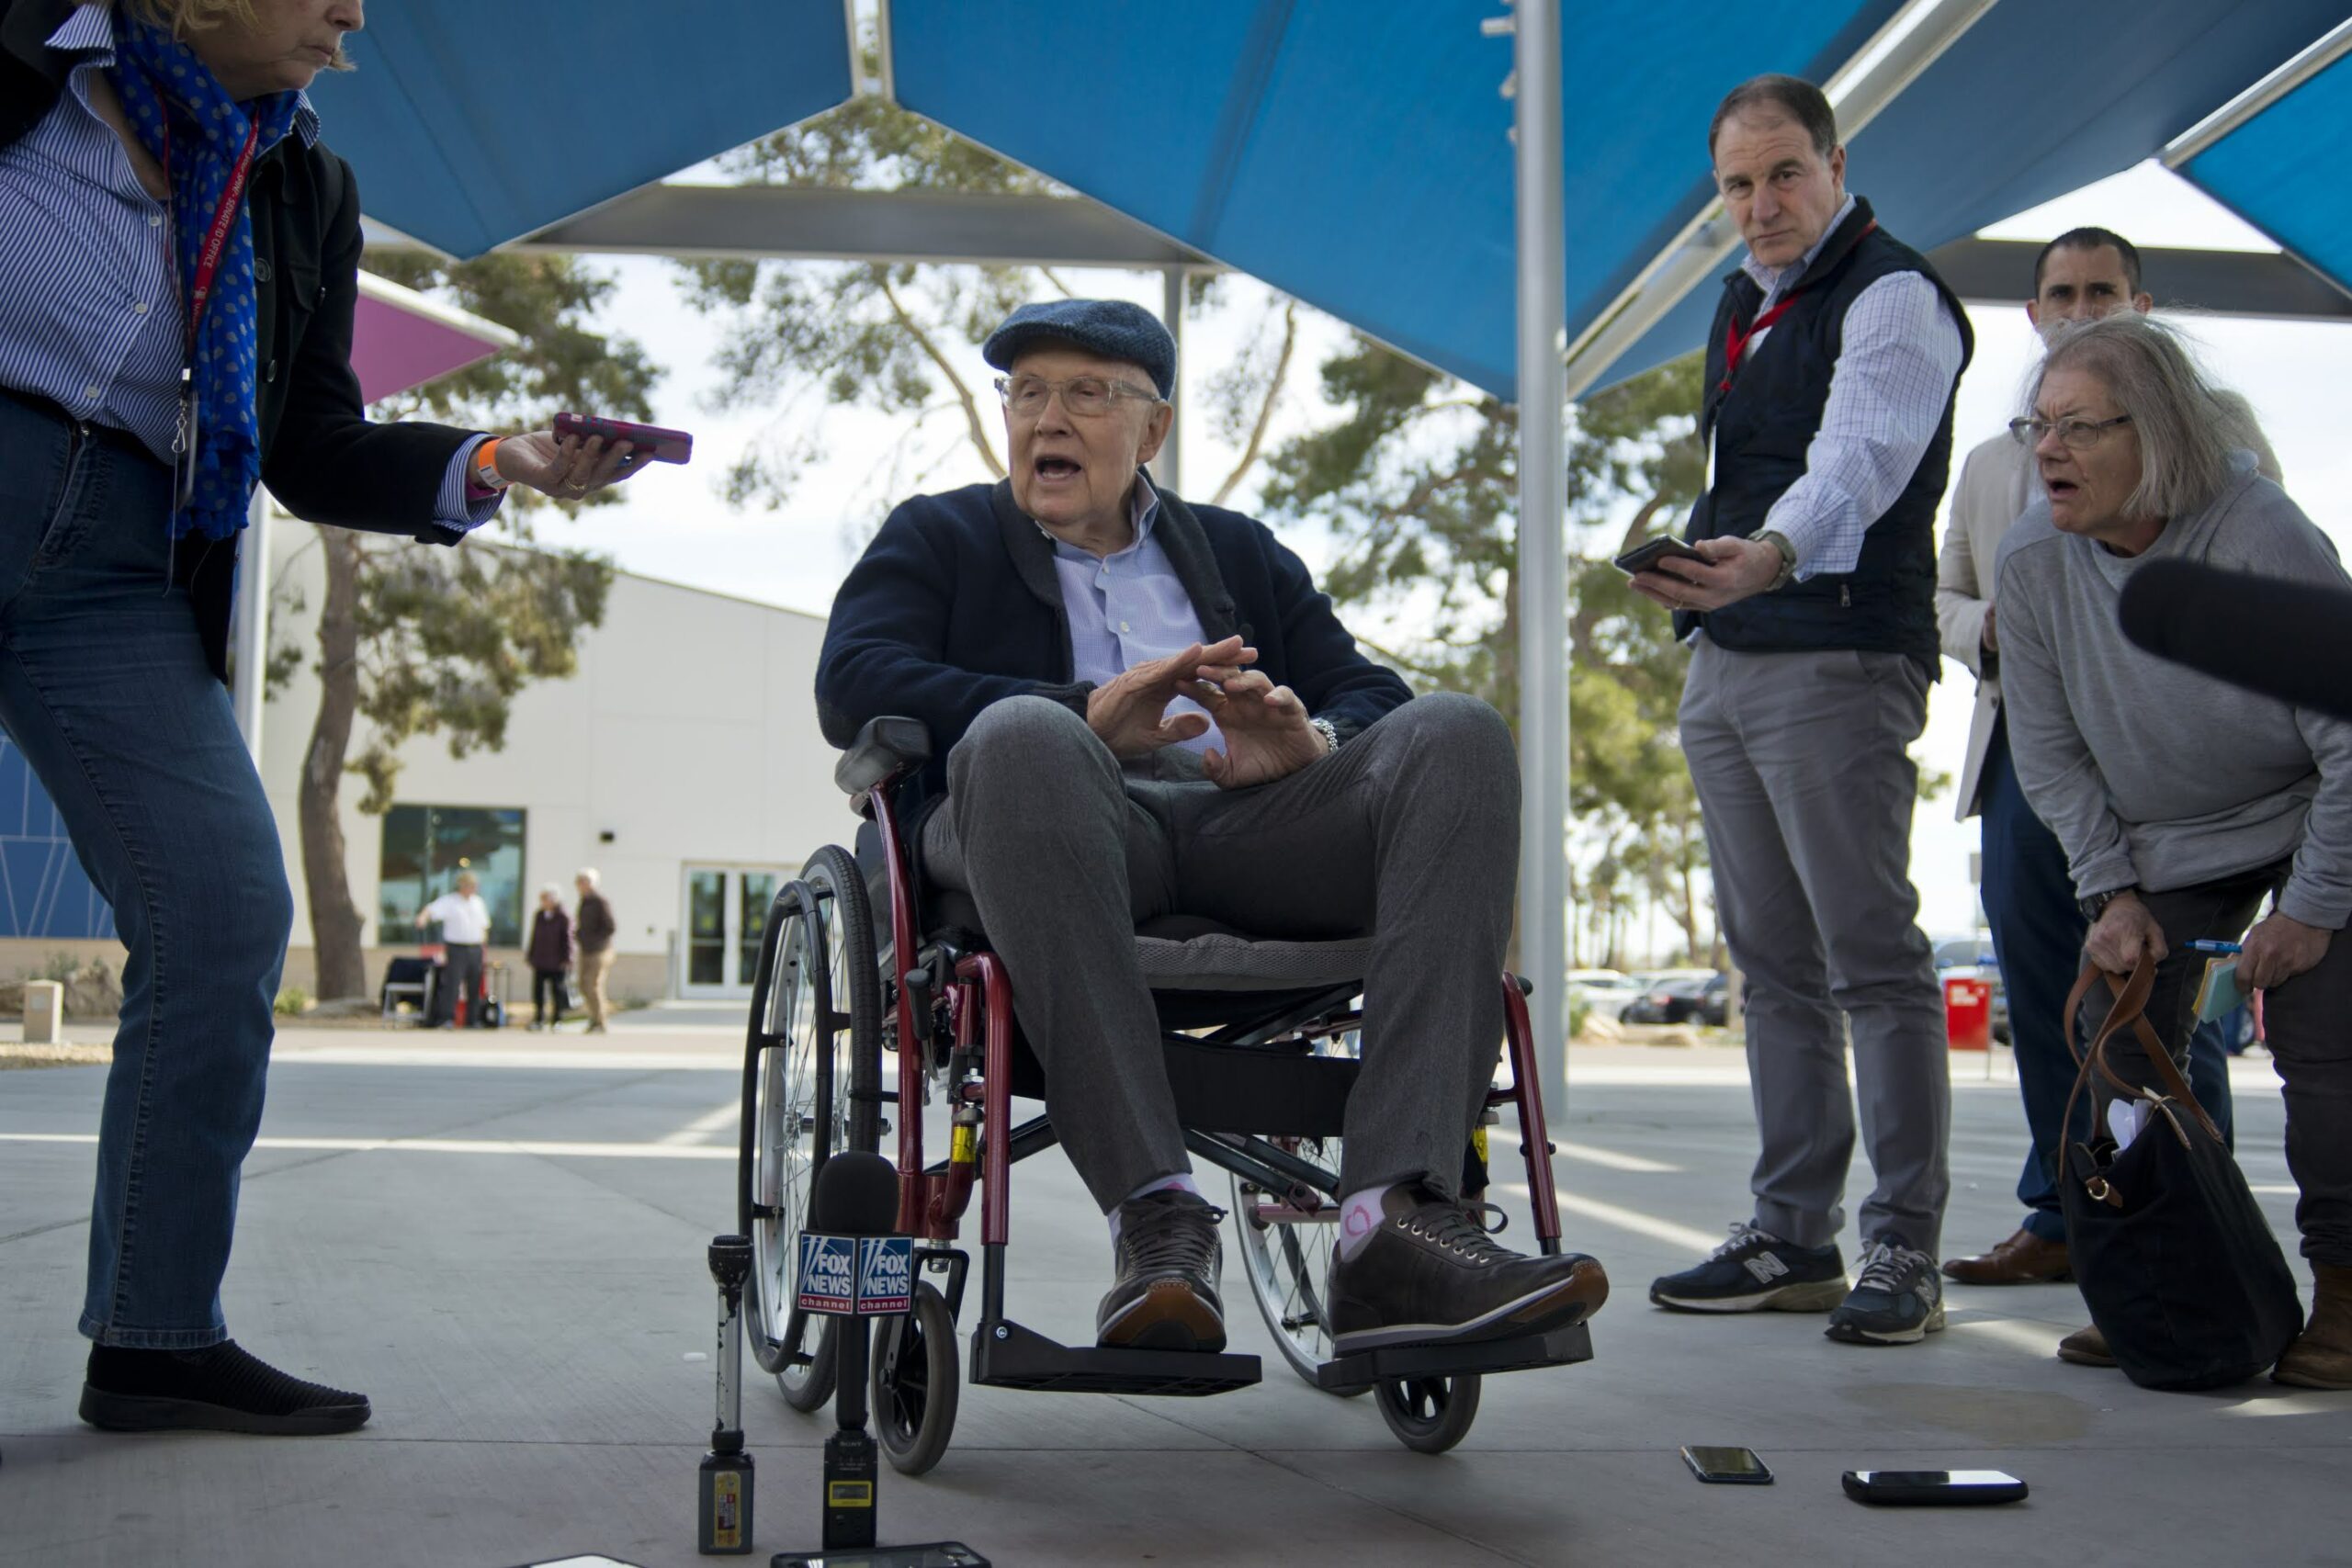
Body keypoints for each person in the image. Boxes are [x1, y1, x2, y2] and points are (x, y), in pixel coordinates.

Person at [1, 0, 647, 1435]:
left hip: (112, 558)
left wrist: (501, 456)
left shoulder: (301, 178)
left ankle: (157, 1336)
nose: (356, 11)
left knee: (227, 904)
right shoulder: (29, 51)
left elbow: (311, 443)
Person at [816, 298, 1610, 1358]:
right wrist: (1080, 711)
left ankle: (1393, 1223)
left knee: (1456, 733)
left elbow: (1366, 689)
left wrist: (1311, 744)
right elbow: (854, 682)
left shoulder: (1238, 552)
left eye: (1086, 394)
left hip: (1243, 833)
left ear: (1151, 430)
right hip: (1049, 826)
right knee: (1022, 734)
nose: (1047, 419)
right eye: (1028, 394)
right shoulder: (940, 535)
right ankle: (1156, 1214)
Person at [1630, 74, 1971, 1346]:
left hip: (1837, 650)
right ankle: (1793, 1231)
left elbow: (1862, 458)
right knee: (1771, 962)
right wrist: (1705, 573)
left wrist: (1771, 553)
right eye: (1737, 185)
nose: (1761, 205)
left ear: (1836, 164)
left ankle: (1903, 1245)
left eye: (1783, 174)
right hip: (1729, 657)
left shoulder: (1893, 295)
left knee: (1869, 955)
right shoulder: (1739, 302)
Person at [1996, 310, 2350, 1389]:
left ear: (2153, 436)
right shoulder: (2030, 561)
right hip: (2168, 835)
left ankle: (2344, 1291)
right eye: (2036, 425)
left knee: (2324, 1032)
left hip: (2308, 805)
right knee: (2113, 1036)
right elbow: (2049, 755)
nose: (2048, 450)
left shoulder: (2260, 534)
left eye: (2078, 428)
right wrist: (2108, 889)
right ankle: (2168, 1282)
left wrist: (2312, 906)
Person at [1936, 229, 2276, 1287]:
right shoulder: (1996, 466)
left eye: (2101, 293)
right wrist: (1987, 629)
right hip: (2026, 759)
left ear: (2142, 306)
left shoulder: (2224, 453)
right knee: (2052, 999)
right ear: (2032, 313)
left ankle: (2189, 1213)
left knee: (2157, 1002)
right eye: (2059, 294)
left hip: (2171, 771)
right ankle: (2064, 1212)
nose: (2079, 310)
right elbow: (1939, 596)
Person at [414, 872, 491, 1029]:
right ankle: (446, 1018)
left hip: (475, 948)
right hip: (457, 947)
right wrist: (422, 918)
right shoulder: (450, 901)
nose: (473, 889)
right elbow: (431, 910)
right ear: (462, 885)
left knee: (475, 985)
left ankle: (473, 1019)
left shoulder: (478, 902)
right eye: (470, 885)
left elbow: (485, 925)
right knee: (452, 983)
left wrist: (484, 945)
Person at [526, 884, 572, 1032]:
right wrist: (530, 955)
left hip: (557, 960)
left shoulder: (563, 916)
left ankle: (557, 1019)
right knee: (538, 991)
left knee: (557, 991)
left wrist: (568, 958)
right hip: (540, 959)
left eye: (547, 898)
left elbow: (568, 938)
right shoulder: (539, 915)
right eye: (543, 898)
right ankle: (539, 1018)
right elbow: (534, 936)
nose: (544, 901)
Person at [573, 868, 615, 1034]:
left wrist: (595, 940)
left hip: (600, 950)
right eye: (579, 882)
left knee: (594, 985)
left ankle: (600, 1021)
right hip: (586, 949)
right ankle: (593, 1017)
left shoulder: (599, 902)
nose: (581, 885)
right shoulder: (584, 901)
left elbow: (610, 926)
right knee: (583, 985)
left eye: (584, 881)